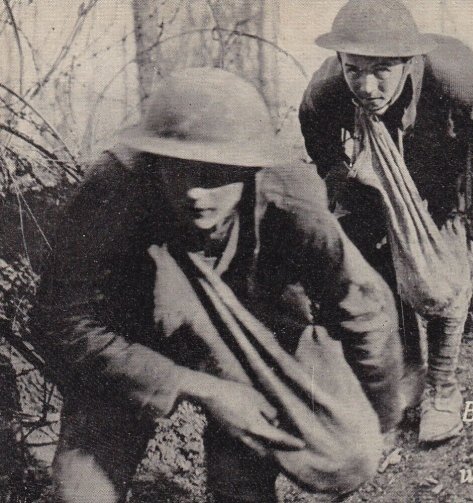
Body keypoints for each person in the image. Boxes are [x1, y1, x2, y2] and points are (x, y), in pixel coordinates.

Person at [30, 68, 403, 503]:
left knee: (338, 457)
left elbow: (362, 305)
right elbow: (59, 319)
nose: (195, 193)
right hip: (131, 338)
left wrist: (379, 416)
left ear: (248, 170)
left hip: (248, 343)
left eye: (215, 175)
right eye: (180, 170)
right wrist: (197, 387)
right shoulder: (113, 189)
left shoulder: (289, 197)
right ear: (155, 160)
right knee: (83, 494)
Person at [300, 0, 473, 443]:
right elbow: (315, 129)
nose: (366, 85)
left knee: (441, 274)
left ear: (408, 62)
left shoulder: (455, 79)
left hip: (448, 153)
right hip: (381, 161)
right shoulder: (329, 88)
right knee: (384, 259)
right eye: (354, 69)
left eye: (381, 71)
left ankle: (443, 388)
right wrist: (339, 177)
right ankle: (410, 367)